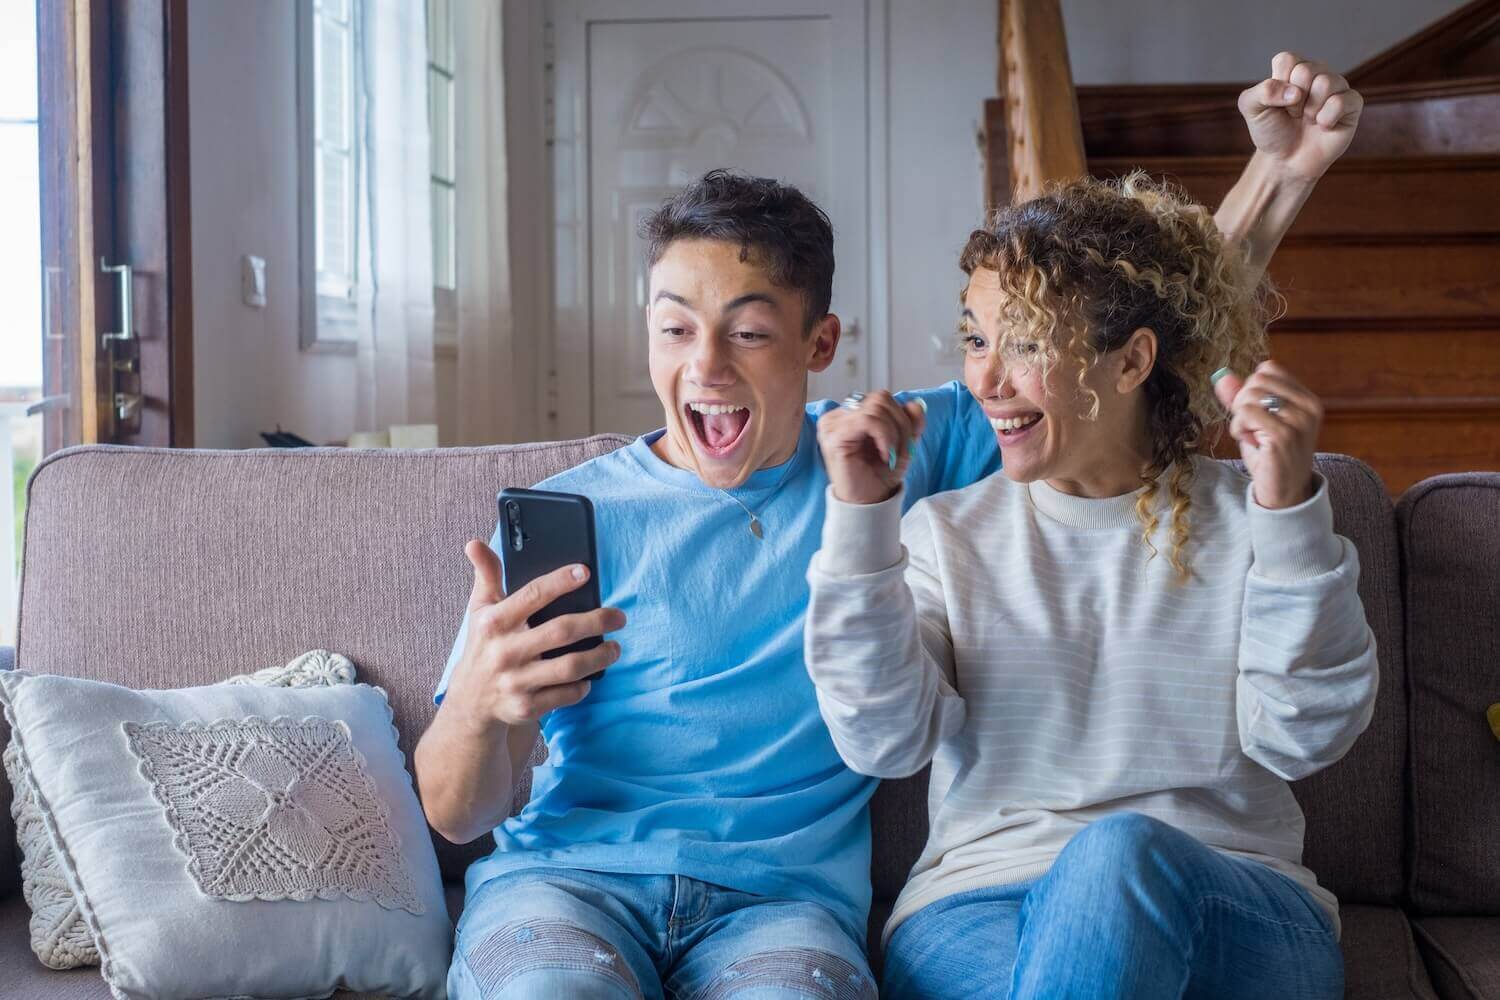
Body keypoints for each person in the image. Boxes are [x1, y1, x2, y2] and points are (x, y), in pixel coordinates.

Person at [413, 53, 1365, 1000]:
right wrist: (479, 709)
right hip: (571, 885)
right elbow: (456, 815)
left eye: (747, 332)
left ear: (819, 344)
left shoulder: (893, 454)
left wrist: (1280, 177)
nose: (704, 366)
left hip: (776, 909)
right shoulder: (573, 513)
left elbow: (1111, 335)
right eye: (673, 328)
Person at [803, 168, 1378, 1000]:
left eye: (1027, 342)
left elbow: (1303, 739)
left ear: (1132, 361)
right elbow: (882, 741)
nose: (986, 380)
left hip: (1236, 902)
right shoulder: (944, 534)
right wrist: (859, 520)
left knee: (1116, 853)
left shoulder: (1257, 519)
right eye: (975, 337)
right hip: (978, 909)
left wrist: (1288, 517)